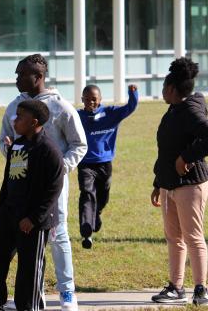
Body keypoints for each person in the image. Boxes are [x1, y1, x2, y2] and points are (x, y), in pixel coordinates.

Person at [0, 54, 87, 311]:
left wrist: (59, 169)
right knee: (21, 237)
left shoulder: (61, 107)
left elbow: (79, 144)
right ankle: (31, 293)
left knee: (57, 235)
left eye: (21, 74)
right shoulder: (14, 106)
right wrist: (11, 154)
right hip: (19, 188)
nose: (16, 78)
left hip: (51, 188)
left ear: (38, 77)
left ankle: (67, 292)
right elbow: (4, 139)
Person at [0, 100, 64, 311]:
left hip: (33, 220)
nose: (14, 120)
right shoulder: (17, 144)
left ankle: (28, 306)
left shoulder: (48, 150)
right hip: (9, 213)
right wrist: (1, 212)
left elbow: (54, 189)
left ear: (34, 122)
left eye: (20, 117)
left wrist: (34, 218)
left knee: (29, 266)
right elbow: (10, 180)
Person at [150, 57, 208, 305]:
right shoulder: (174, 109)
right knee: (174, 237)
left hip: (189, 185)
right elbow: (167, 149)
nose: (162, 91)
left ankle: (201, 290)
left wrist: (187, 157)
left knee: (193, 237)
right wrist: (157, 181)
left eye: (164, 87)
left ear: (172, 89)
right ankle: (176, 287)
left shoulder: (191, 110)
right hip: (169, 184)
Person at [77, 84, 139, 249]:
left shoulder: (110, 113)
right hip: (85, 164)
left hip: (104, 163)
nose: (90, 102)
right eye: (87, 99)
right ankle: (86, 230)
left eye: (94, 99)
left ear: (100, 100)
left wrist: (133, 93)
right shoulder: (76, 117)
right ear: (82, 99)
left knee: (103, 196)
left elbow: (130, 107)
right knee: (87, 193)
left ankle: (96, 213)